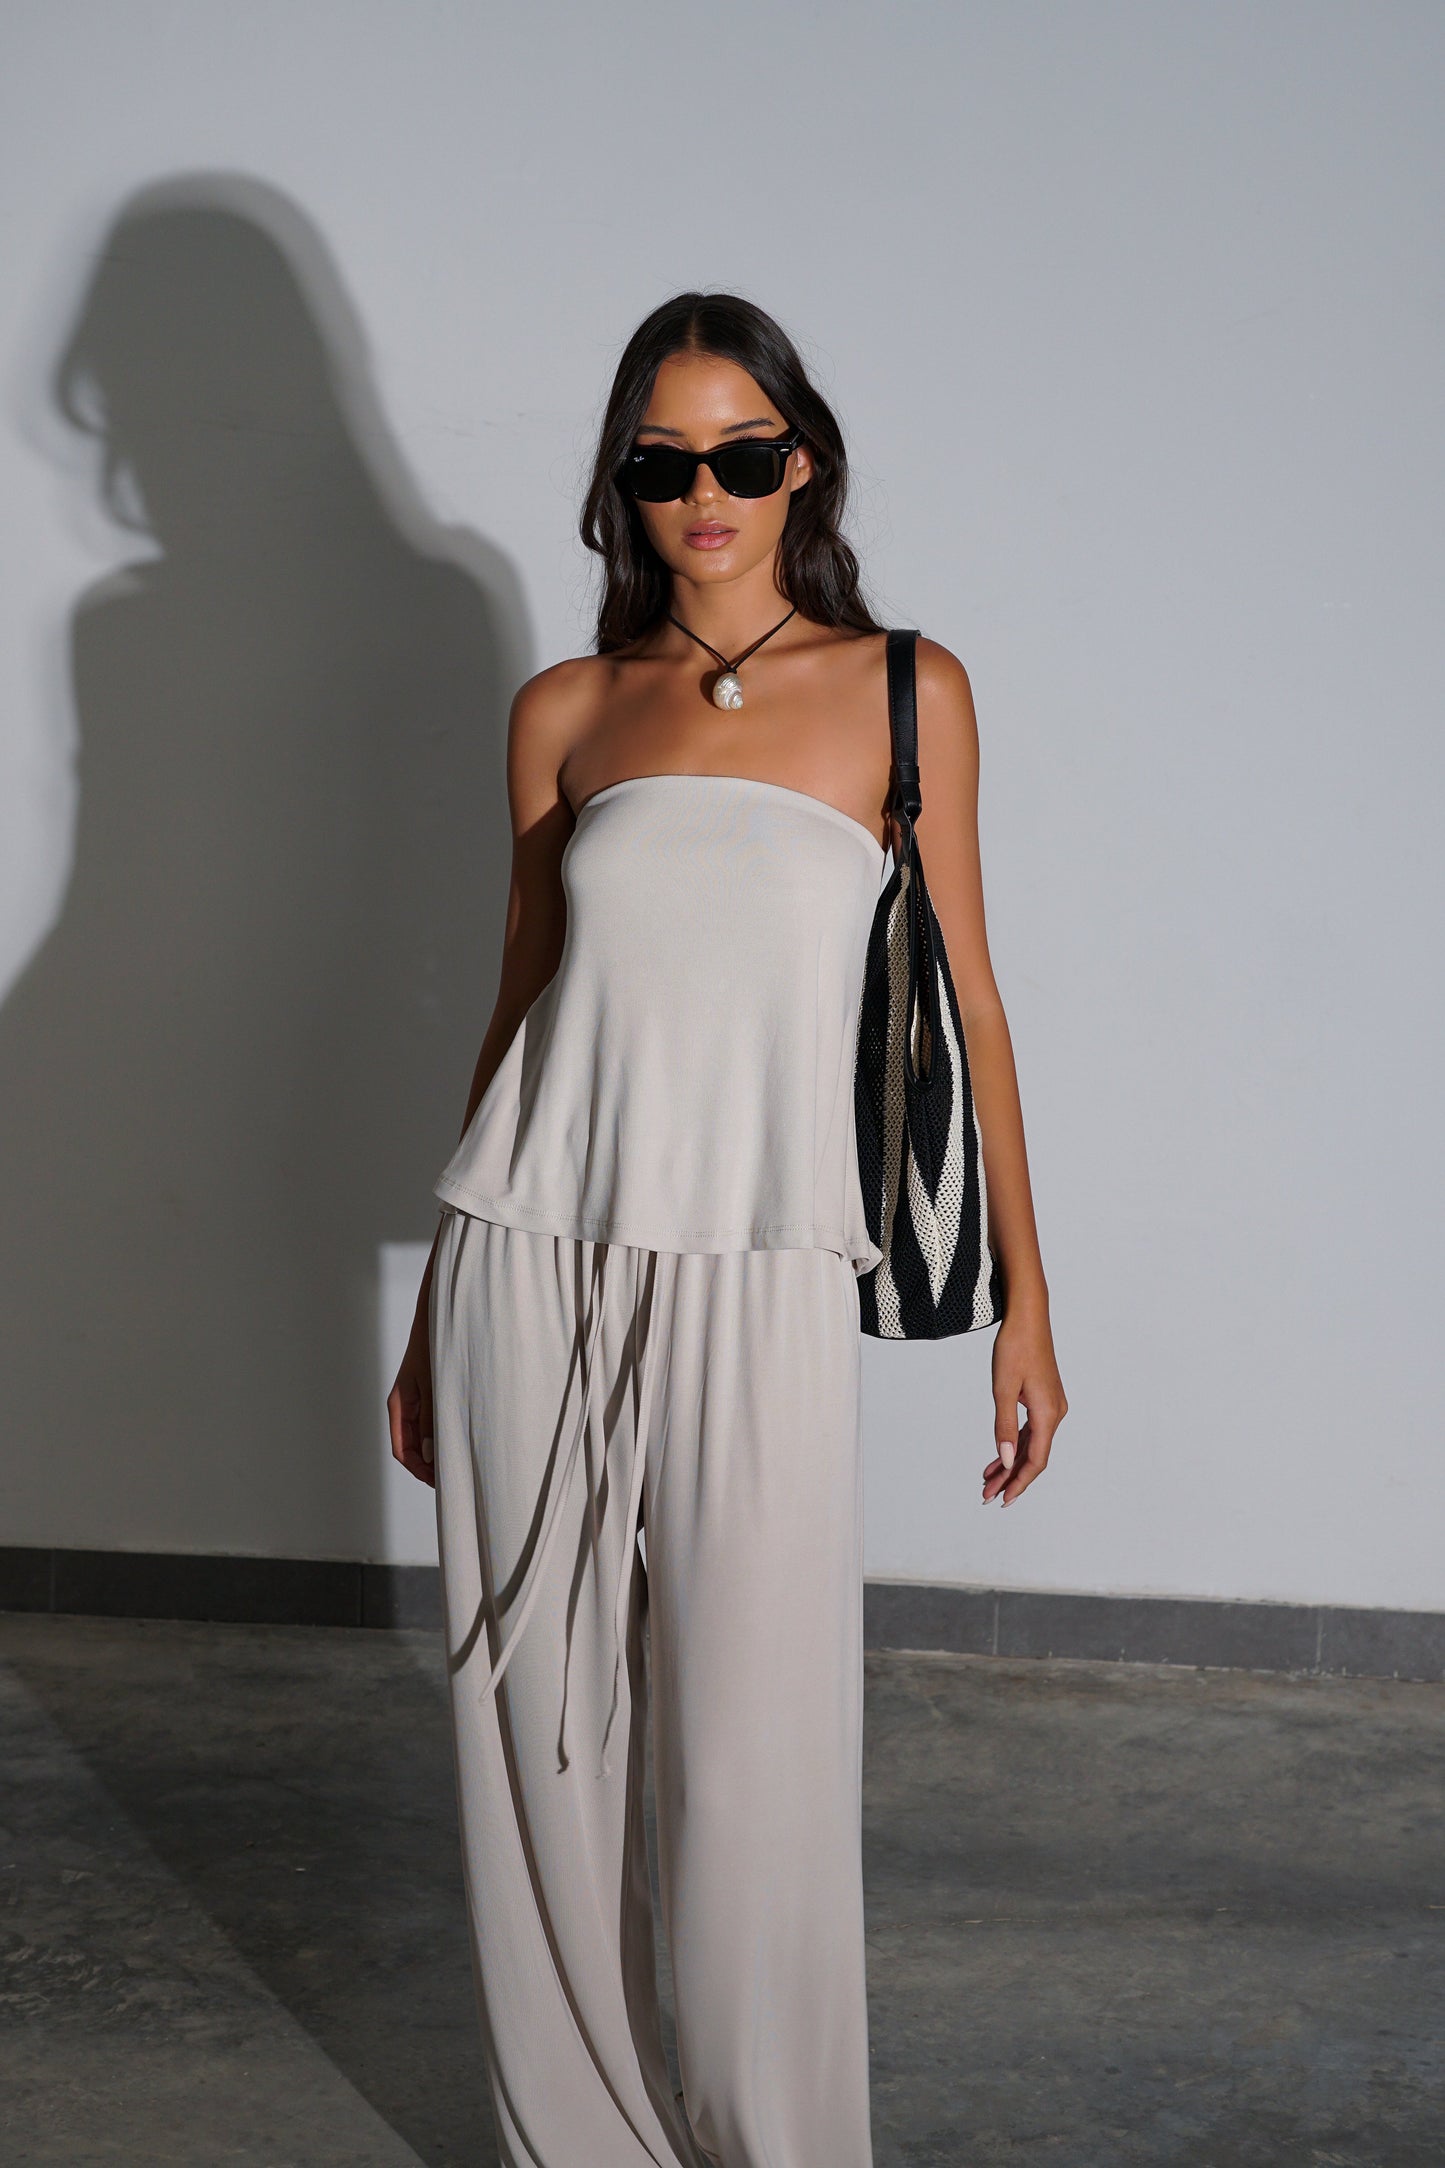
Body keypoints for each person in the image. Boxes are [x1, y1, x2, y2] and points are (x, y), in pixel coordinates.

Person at [387, 290, 1068, 2168]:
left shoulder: (905, 690)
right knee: (533, 1726)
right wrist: (434, 1315)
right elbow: (519, 1004)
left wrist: (1025, 1301)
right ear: (622, 484)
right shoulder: (564, 711)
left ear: (804, 464)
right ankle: (578, 2139)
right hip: (528, 1252)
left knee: (754, 1752)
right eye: (663, 461)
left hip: (765, 1260)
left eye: (743, 455)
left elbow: (974, 1004)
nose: (706, 493)